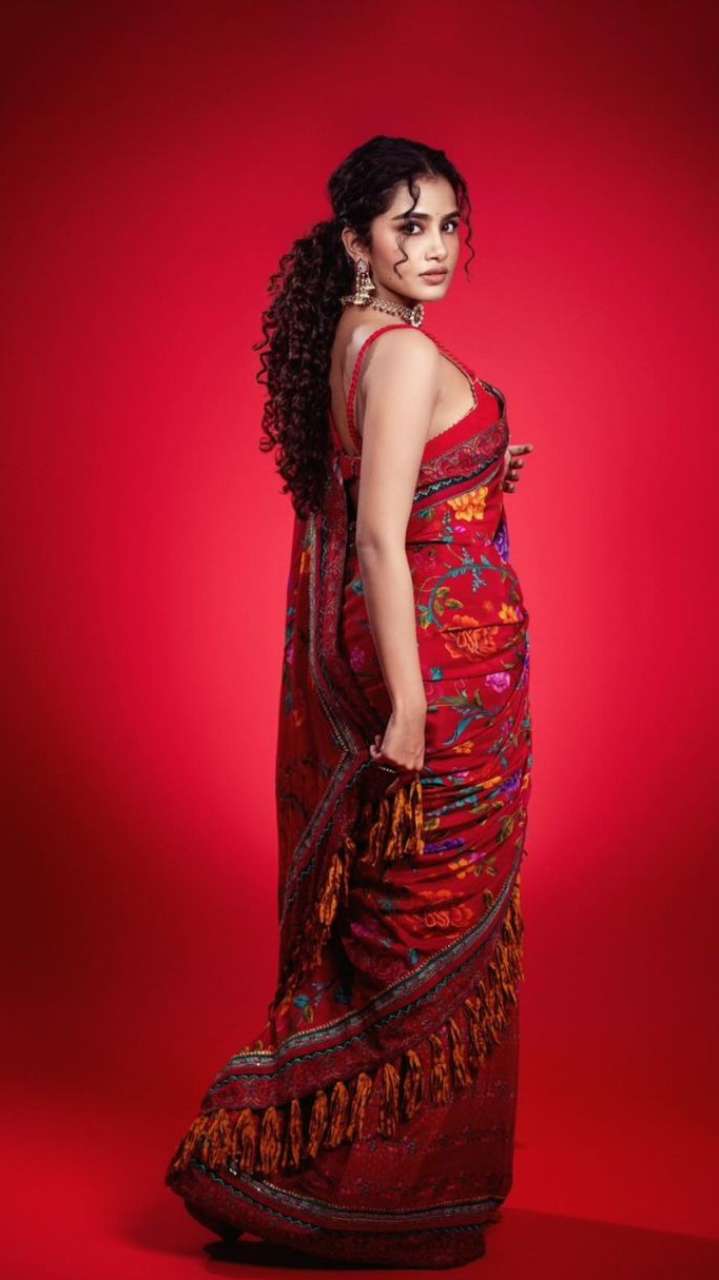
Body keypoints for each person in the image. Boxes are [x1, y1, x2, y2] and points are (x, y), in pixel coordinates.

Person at [165, 134, 534, 1268]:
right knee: (422, 923)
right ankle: (342, 1188)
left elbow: (399, 488)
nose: (436, 247)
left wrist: (481, 463)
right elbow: (377, 536)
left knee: (397, 916)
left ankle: (380, 1182)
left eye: (449, 225)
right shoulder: (405, 353)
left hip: (435, 664)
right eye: (408, 227)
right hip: (442, 682)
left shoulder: (359, 337)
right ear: (357, 241)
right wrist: (412, 707)